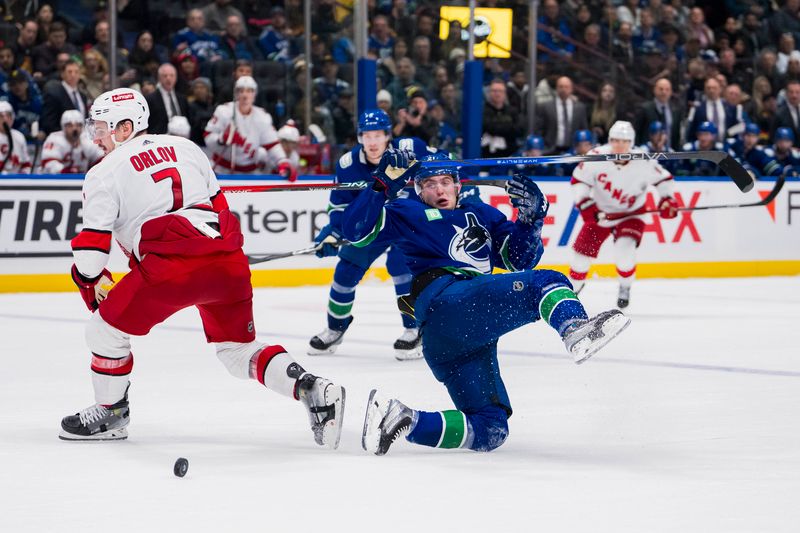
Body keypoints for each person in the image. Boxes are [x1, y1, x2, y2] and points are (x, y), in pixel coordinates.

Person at [60, 87, 344, 447]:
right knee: (238, 351)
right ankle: (312, 389)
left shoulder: (103, 173)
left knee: (103, 332)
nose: (96, 137)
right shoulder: (187, 148)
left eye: (102, 128)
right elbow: (220, 208)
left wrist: (86, 278)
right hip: (226, 260)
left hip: (172, 267)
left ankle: (111, 413)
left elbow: (91, 256)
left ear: (126, 127)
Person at [339, 150, 630, 455]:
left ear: (457, 185)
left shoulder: (481, 214)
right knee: (546, 283)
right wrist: (381, 183)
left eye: (445, 182)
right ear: (418, 189)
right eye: (429, 184)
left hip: (455, 340)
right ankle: (575, 329)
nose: (439, 190)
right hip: (447, 301)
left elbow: (520, 260)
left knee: (491, 429)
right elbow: (354, 231)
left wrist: (532, 220)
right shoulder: (406, 213)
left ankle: (403, 419)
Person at [309, 108, 435, 360]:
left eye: (378, 135)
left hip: (407, 222)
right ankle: (335, 328)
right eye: (367, 136)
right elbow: (340, 206)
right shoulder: (348, 165)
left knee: (402, 267)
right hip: (373, 225)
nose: (373, 142)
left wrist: (461, 187)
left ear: (388, 135)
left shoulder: (410, 148)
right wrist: (334, 232)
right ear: (359, 137)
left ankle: (414, 329)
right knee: (345, 270)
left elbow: (443, 161)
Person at [568, 121, 677, 308]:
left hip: (631, 214)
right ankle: (573, 290)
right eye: (615, 140)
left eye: (624, 141)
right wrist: (587, 206)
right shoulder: (595, 158)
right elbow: (579, 181)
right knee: (580, 258)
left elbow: (664, 180)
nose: (619, 145)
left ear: (631, 143)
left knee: (624, 253)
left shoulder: (644, 161)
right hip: (601, 214)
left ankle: (625, 286)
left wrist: (667, 199)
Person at [203, 75, 292, 175]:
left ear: (255, 94)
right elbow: (207, 137)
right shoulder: (224, 111)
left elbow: (272, 145)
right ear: (236, 94)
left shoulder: (263, 116)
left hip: (250, 173)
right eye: (241, 91)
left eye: (249, 91)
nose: (245, 95)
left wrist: (282, 161)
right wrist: (221, 139)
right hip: (221, 170)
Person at [39, 110, 103, 173]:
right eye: (70, 125)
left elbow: (101, 159)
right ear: (63, 126)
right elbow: (49, 164)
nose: (74, 129)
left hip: (80, 181)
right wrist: (66, 171)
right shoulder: (54, 139)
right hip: (54, 181)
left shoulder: (87, 139)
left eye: (78, 125)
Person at [0, 101, 32, 173]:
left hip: (17, 181)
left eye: (8, 115)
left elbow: (26, 164)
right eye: (1, 116)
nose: (5, 119)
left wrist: (23, 177)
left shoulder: (19, 136)